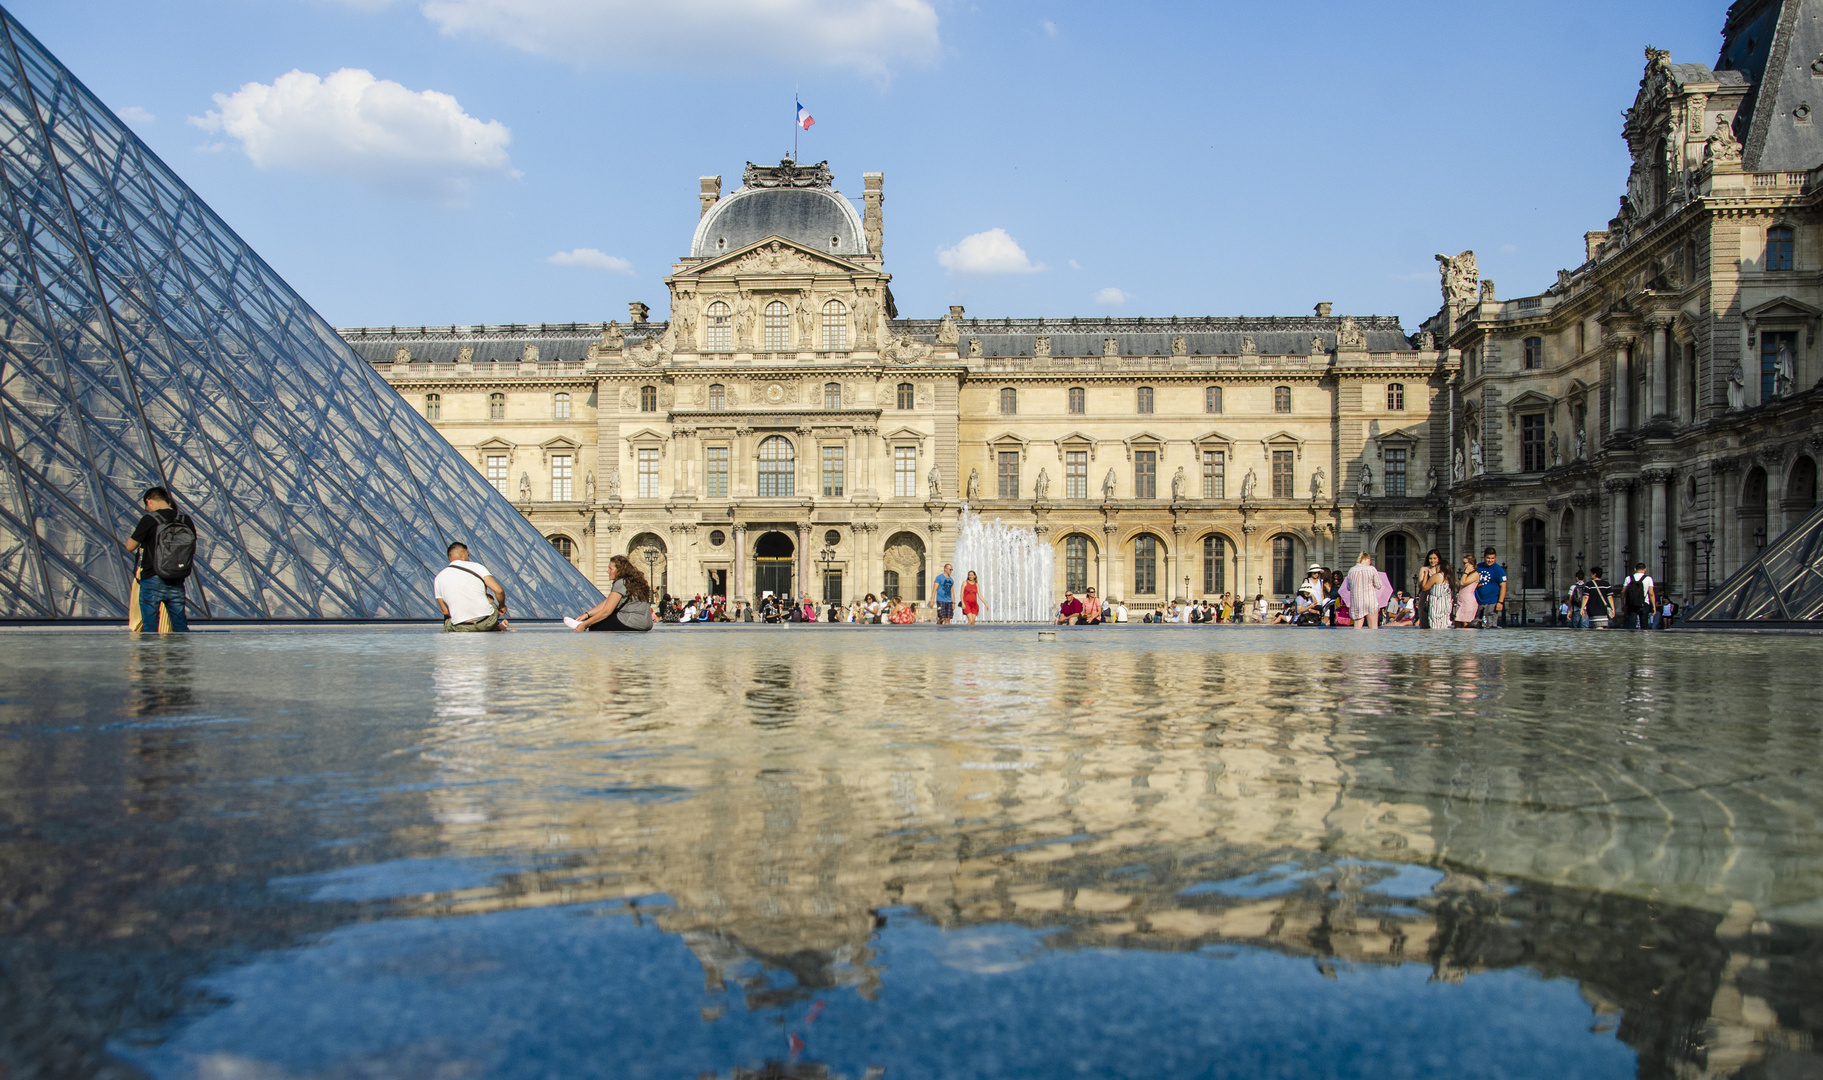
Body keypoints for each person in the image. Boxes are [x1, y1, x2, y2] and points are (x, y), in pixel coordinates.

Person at [123, 486, 195, 633]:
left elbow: (130, 546)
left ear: (149, 501)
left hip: (152, 577)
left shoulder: (150, 519)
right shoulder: (184, 519)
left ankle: (150, 656)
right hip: (176, 577)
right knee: (180, 627)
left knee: (150, 628)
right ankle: (181, 655)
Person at [432, 541, 510, 632]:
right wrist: (502, 605)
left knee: (448, 622)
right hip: (486, 622)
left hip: (461, 626)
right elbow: (499, 591)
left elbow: (445, 611)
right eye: (468, 555)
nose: (468, 558)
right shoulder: (477, 567)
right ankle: (497, 626)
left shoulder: (439, 578)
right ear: (462, 554)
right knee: (489, 601)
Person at [567, 554, 655, 631]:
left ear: (619, 570)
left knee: (595, 625)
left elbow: (606, 611)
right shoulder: (633, 582)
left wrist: (584, 624)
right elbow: (608, 602)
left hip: (630, 622)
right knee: (595, 619)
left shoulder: (621, 582)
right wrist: (587, 615)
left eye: (610, 568)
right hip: (646, 623)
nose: (607, 571)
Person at [1340, 552, 1393, 630]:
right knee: (1373, 628)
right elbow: (1379, 585)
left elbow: (1348, 587)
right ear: (1367, 559)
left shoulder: (1351, 570)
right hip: (1370, 601)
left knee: (1357, 629)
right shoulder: (1371, 569)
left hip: (1357, 602)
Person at [1417, 550, 1451, 631]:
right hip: (1426, 597)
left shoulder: (1441, 570)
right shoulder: (1424, 569)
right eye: (1430, 558)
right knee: (1424, 621)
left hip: (1438, 599)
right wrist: (1426, 575)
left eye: (1435, 558)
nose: (1432, 561)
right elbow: (1420, 585)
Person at [1474, 548, 1508, 628]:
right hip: (1478, 601)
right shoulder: (1478, 567)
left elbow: (1503, 586)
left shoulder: (1498, 569)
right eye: (1488, 558)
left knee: (1490, 626)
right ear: (1484, 557)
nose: (1490, 560)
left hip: (1492, 602)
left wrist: (1500, 602)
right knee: (1476, 625)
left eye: (1492, 558)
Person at [1620, 562, 1656, 631]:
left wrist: (1623, 604)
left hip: (1631, 604)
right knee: (1644, 624)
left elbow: (1623, 592)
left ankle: (1632, 639)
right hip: (1644, 603)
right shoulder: (1648, 579)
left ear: (1635, 569)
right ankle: (1644, 639)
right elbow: (1651, 593)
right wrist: (1654, 606)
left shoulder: (1628, 578)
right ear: (1645, 569)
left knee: (1632, 624)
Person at [1453, 555, 1480, 627]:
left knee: (1466, 624)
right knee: (1457, 622)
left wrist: (1466, 572)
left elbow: (1463, 582)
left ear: (1471, 564)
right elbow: (1462, 588)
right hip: (1461, 601)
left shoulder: (1475, 574)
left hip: (1468, 602)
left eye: (1465, 563)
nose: (1463, 565)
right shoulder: (1467, 575)